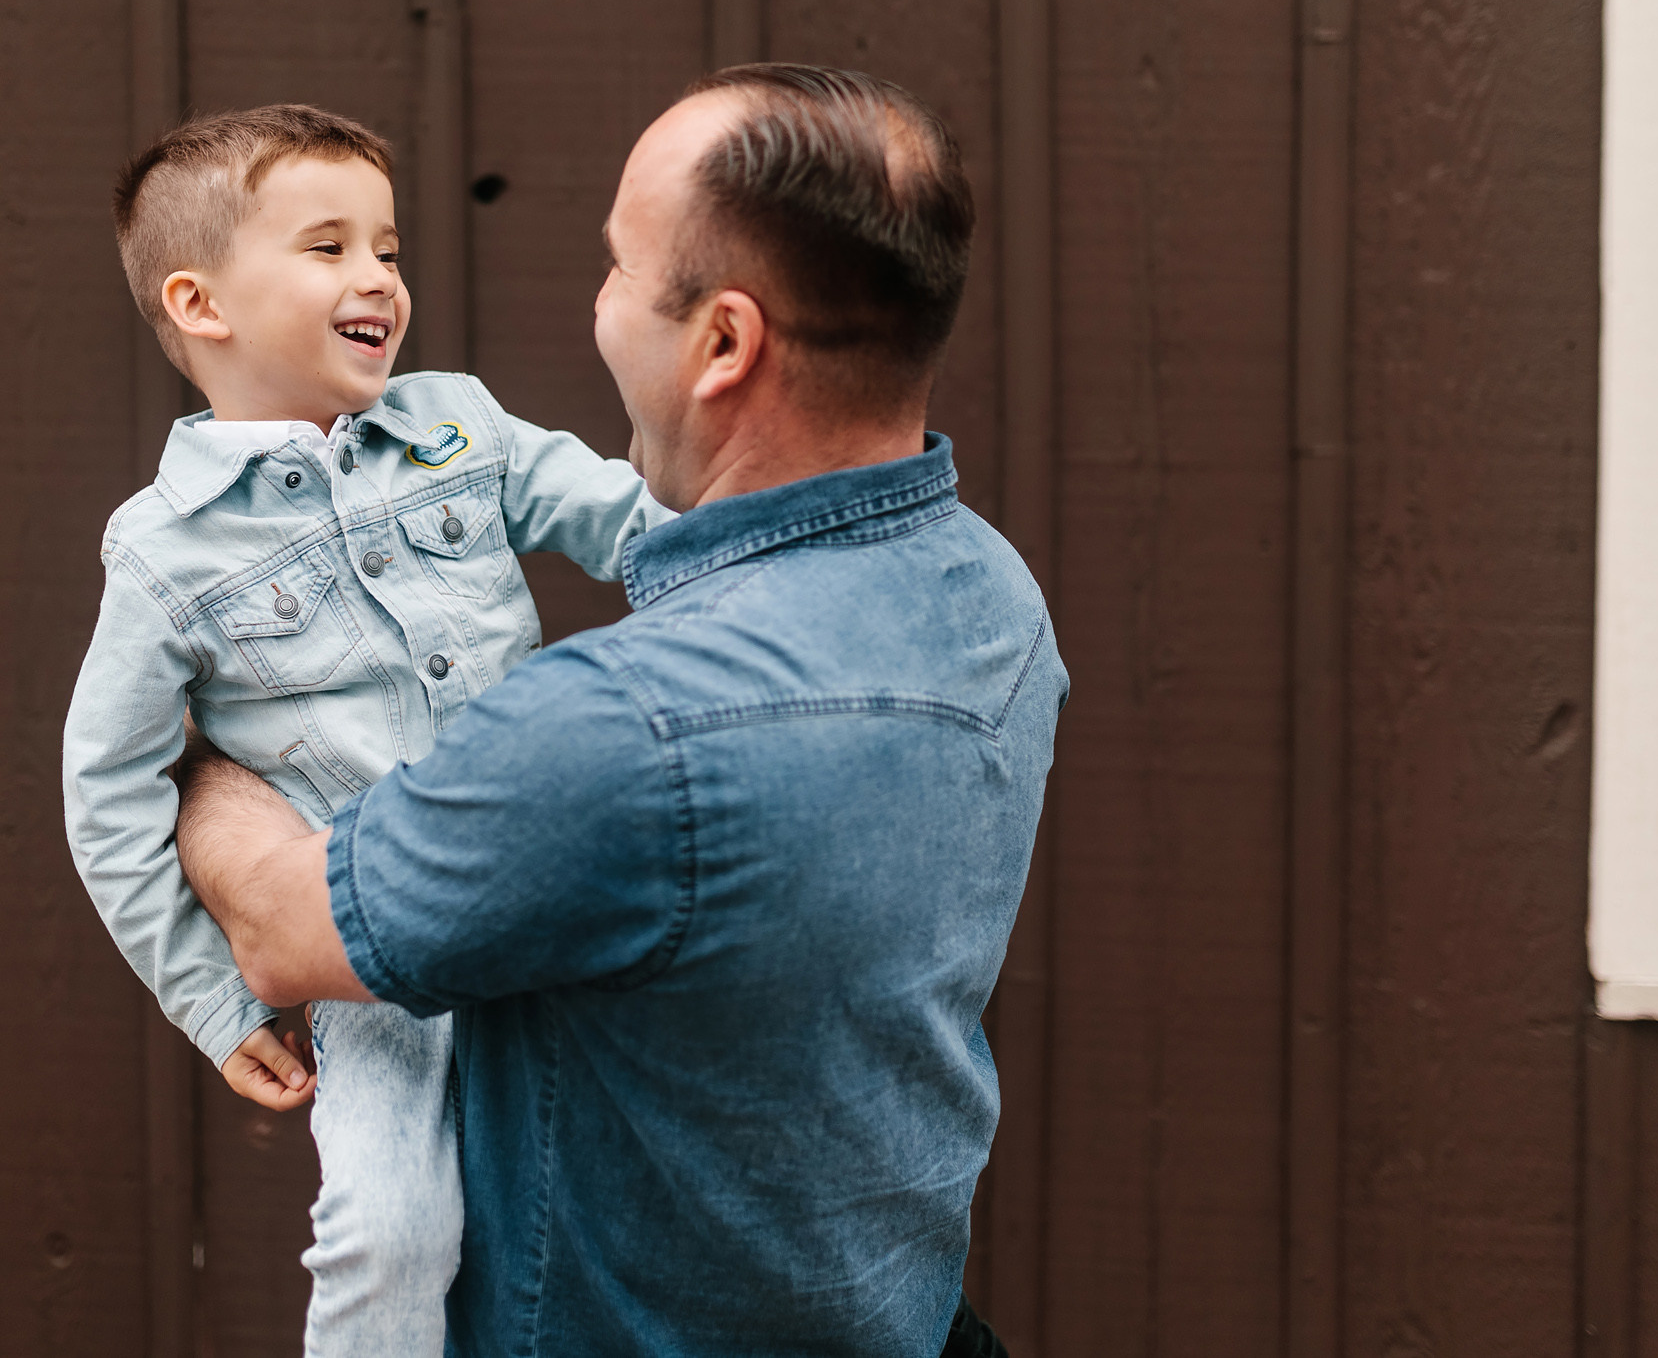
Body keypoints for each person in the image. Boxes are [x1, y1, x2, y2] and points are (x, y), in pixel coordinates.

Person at [176, 65, 1064, 1356]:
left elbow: (280, 926)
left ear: (723, 343)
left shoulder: (629, 725)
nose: (597, 306)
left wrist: (198, 748)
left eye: (615, 271)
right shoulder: (992, 592)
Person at [61, 104, 670, 1358]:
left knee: (614, 1211)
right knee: (387, 1232)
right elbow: (108, 785)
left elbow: (636, 524)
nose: (376, 279)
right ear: (200, 303)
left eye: (385, 248)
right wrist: (214, 1001)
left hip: (554, 899)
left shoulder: (460, 430)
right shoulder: (165, 549)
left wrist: (775, 548)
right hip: (368, 957)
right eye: (327, 247)